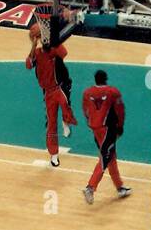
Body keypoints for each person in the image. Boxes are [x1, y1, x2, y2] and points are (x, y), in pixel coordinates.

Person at [25, 29, 78, 166]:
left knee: (66, 108)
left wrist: (53, 39)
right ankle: (54, 155)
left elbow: (64, 53)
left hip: (60, 87)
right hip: (48, 92)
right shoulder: (36, 53)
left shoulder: (54, 51)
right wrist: (33, 44)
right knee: (51, 124)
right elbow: (28, 65)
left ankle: (66, 122)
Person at [81, 69, 132, 203]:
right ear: (106, 79)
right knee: (105, 157)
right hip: (108, 129)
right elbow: (120, 110)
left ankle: (120, 187)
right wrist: (120, 126)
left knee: (110, 156)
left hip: (95, 129)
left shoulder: (87, 92)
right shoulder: (113, 92)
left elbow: (85, 110)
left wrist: (91, 122)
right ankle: (90, 188)